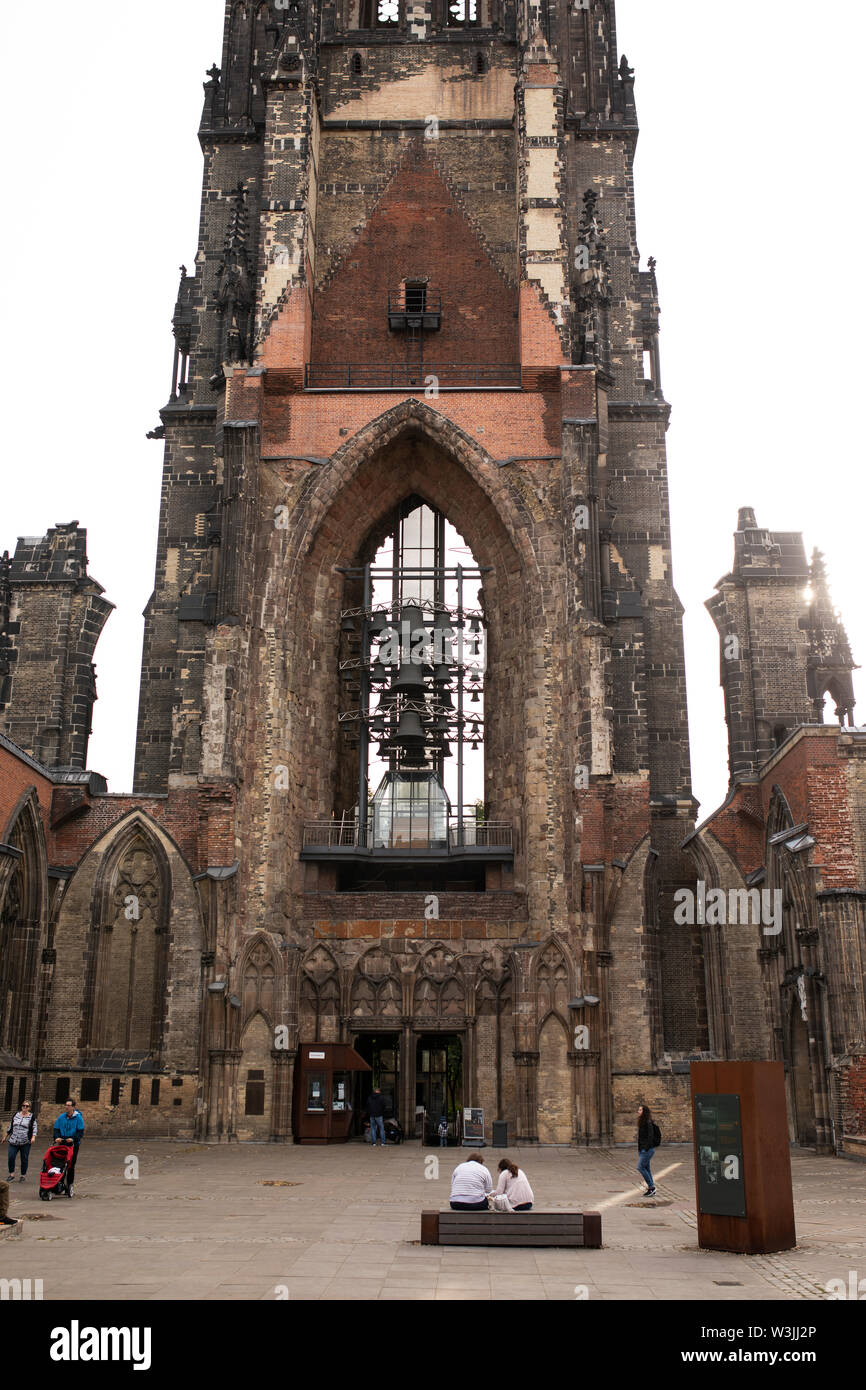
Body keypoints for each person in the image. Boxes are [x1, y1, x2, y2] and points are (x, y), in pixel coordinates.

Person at [53, 1098, 85, 1192]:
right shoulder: (61, 1117)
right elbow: (56, 1129)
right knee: (60, 1164)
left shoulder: (78, 1118)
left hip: (73, 1144)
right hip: (62, 1142)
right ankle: (59, 1183)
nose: (66, 1107)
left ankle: (69, 1184)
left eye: (69, 1105)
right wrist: (57, 1137)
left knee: (70, 1165)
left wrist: (73, 1138)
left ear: (73, 1107)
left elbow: (80, 1132)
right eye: (66, 1105)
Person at [6, 1100, 37, 1182]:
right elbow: (11, 1126)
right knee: (11, 1157)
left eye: (27, 1106)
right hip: (14, 1140)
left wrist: (33, 1137)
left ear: (29, 1108)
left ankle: (23, 1175)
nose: (25, 1107)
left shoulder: (31, 1117)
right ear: (21, 1106)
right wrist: (5, 1136)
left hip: (25, 1142)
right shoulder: (16, 1115)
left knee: (24, 1158)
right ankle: (11, 1174)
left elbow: (34, 1128)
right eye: (23, 1106)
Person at [637, 1102, 657, 1197]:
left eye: (640, 1110)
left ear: (644, 1112)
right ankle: (651, 1188)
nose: (638, 1111)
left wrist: (645, 1148)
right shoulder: (642, 1122)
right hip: (642, 1149)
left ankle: (651, 1187)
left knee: (640, 1167)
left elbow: (650, 1136)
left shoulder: (648, 1122)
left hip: (647, 1150)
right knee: (646, 1168)